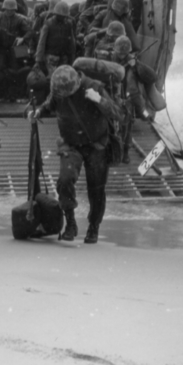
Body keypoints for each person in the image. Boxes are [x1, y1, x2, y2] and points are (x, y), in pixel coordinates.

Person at [32, 65, 120, 244]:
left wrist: (99, 100)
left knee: (96, 190)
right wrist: (38, 112)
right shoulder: (59, 92)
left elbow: (118, 113)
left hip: (96, 144)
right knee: (64, 180)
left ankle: (93, 226)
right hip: (71, 144)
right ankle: (70, 222)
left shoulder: (94, 87)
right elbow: (49, 104)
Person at [0, 0, 30, 99]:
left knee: (16, 72)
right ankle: (2, 94)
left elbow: (30, 31)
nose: (9, 12)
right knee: (0, 70)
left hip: (15, 48)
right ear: (4, 9)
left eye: (11, 10)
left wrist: (22, 38)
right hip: (2, 48)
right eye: (7, 9)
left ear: (15, 10)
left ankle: (15, 95)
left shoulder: (20, 19)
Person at [35, 1, 76, 75]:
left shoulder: (69, 24)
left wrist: (72, 55)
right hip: (51, 57)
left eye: (64, 16)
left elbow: (71, 41)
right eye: (60, 15)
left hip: (64, 57)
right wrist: (39, 58)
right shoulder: (48, 24)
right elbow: (42, 42)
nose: (62, 17)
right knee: (52, 78)